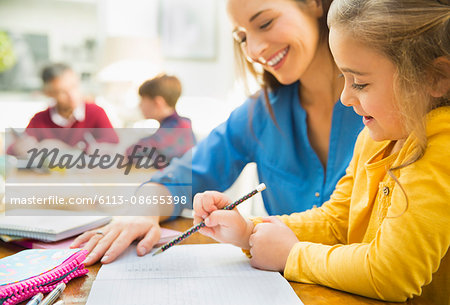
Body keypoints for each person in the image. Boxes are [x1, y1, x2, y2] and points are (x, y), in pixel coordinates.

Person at [192, 0, 450, 303]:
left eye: (361, 83)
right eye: (344, 78)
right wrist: (249, 231)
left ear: (436, 78)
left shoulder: (439, 146)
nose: (345, 97)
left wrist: (292, 255)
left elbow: (391, 274)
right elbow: (336, 223)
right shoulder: (375, 136)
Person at [72, 0, 363, 265]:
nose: (253, 50)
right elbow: (184, 176)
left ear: (313, 4)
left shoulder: (384, 108)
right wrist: (142, 210)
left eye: (264, 23)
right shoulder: (260, 113)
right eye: (242, 37)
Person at [7, 63, 118, 157]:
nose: (72, 95)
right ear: (49, 93)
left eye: (74, 86)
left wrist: (72, 149)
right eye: (62, 92)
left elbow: (113, 141)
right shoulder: (40, 120)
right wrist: (21, 147)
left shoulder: (95, 112)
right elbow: (12, 150)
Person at [126, 74, 196, 162]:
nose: (140, 105)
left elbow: (133, 152)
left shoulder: (176, 129)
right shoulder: (183, 124)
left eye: (143, 100)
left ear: (158, 102)